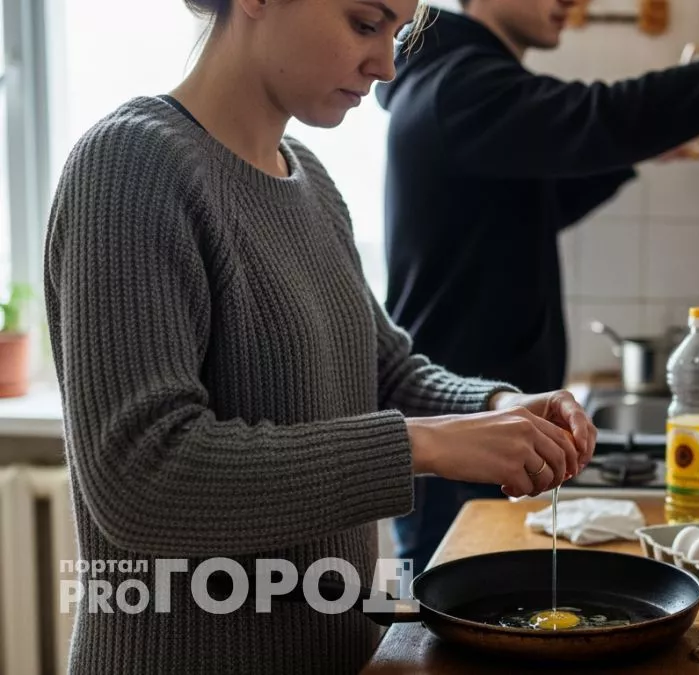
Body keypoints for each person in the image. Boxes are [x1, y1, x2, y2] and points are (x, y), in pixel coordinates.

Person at [43, 1, 595, 673]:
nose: (387, 65)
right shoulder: (130, 166)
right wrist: (425, 445)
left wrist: (496, 406)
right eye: (365, 23)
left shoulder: (309, 179)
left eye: (399, 34)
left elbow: (389, 370)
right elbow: (143, 476)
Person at [376, 0, 699, 572]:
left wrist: (633, 152)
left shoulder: (461, 84)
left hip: (487, 420)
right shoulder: (460, 87)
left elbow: (536, 205)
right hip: (460, 432)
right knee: (444, 640)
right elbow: (607, 117)